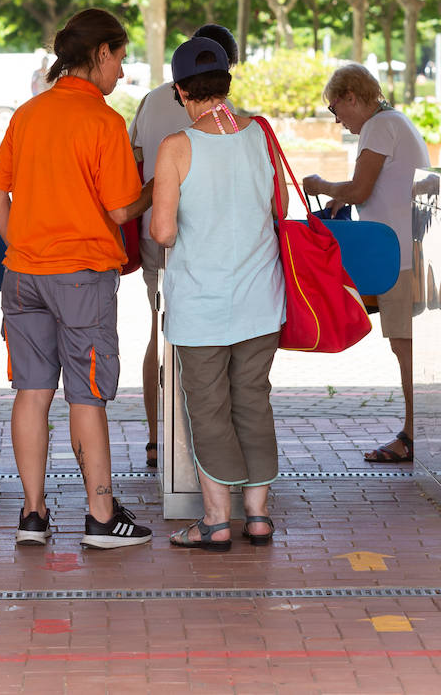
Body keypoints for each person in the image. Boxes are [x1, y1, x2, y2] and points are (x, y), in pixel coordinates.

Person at [0, 8, 154, 550]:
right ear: (100, 53)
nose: (121, 74)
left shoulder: (28, 114)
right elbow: (125, 210)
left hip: (22, 275)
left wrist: (19, 247)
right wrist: (159, 181)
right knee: (87, 395)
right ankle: (101, 516)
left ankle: (33, 515)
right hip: (82, 277)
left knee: (32, 392)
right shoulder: (103, 122)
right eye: (120, 59)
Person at [151, 36, 287, 551]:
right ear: (226, 84)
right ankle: (257, 516)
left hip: (201, 306)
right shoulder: (263, 136)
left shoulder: (177, 147)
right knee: (253, 401)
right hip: (260, 300)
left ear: (182, 91)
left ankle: (215, 521)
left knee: (208, 408)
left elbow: (163, 232)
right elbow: (281, 213)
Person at [302, 64, 430, 465]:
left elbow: (360, 189)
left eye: (335, 108)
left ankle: (413, 435)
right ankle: (416, 431)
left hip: (398, 255)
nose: (338, 119)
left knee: (405, 346)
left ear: (352, 97)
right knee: (407, 345)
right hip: (407, 247)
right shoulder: (394, 121)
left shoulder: (378, 126)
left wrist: (322, 186)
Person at [128, 23, 240, 469]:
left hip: (156, 234)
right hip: (214, 248)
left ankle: (158, 438)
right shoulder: (235, 118)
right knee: (213, 342)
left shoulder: (153, 99)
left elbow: (134, 163)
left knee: (159, 331)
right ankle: (201, 438)